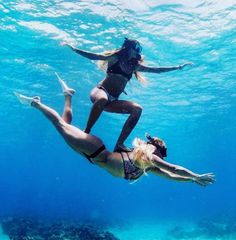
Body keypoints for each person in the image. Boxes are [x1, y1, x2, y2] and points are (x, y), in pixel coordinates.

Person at [15, 74, 215, 186]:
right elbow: (172, 168)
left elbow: (172, 176)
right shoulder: (150, 158)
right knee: (60, 125)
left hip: (92, 156)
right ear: (156, 149)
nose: (160, 157)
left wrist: (190, 181)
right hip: (95, 150)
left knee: (63, 126)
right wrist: (196, 175)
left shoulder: (149, 166)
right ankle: (36, 103)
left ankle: (68, 95)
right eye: (160, 153)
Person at [62, 38, 192, 152]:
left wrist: (178, 67)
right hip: (99, 92)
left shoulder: (134, 67)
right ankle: (87, 132)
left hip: (112, 101)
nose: (138, 52)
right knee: (102, 99)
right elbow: (94, 56)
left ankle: (119, 144)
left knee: (137, 109)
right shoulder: (115, 58)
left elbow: (156, 70)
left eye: (139, 50)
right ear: (128, 48)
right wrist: (74, 49)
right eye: (136, 49)